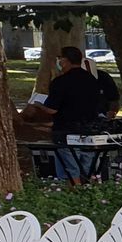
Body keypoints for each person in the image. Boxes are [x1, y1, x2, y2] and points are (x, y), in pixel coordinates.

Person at [41, 46, 104, 184]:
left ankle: (73, 189)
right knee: (87, 167)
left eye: (59, 58)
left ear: (65, 61)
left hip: (66, 131)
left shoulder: (60, 82)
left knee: (70, 169)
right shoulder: (91, 80)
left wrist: (39, 106)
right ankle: (88, 188)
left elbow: (52, 109)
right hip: (90, 130)